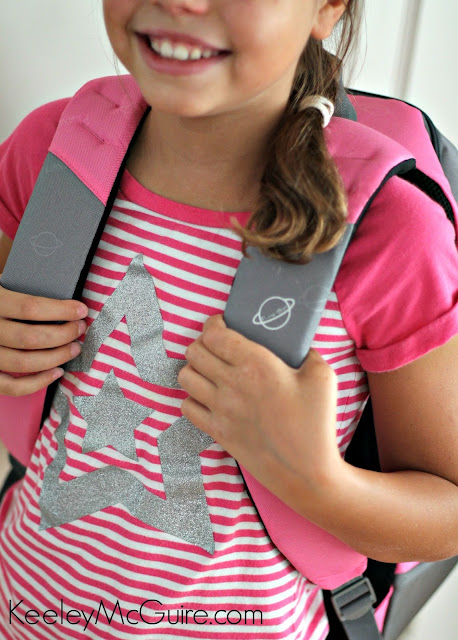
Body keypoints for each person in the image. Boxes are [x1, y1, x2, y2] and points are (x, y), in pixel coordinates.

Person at [0, 1, 457, 638]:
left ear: (328, 7)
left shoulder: (390, 230)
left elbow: (447, 510)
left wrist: (315, 479)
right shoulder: (52, 153)